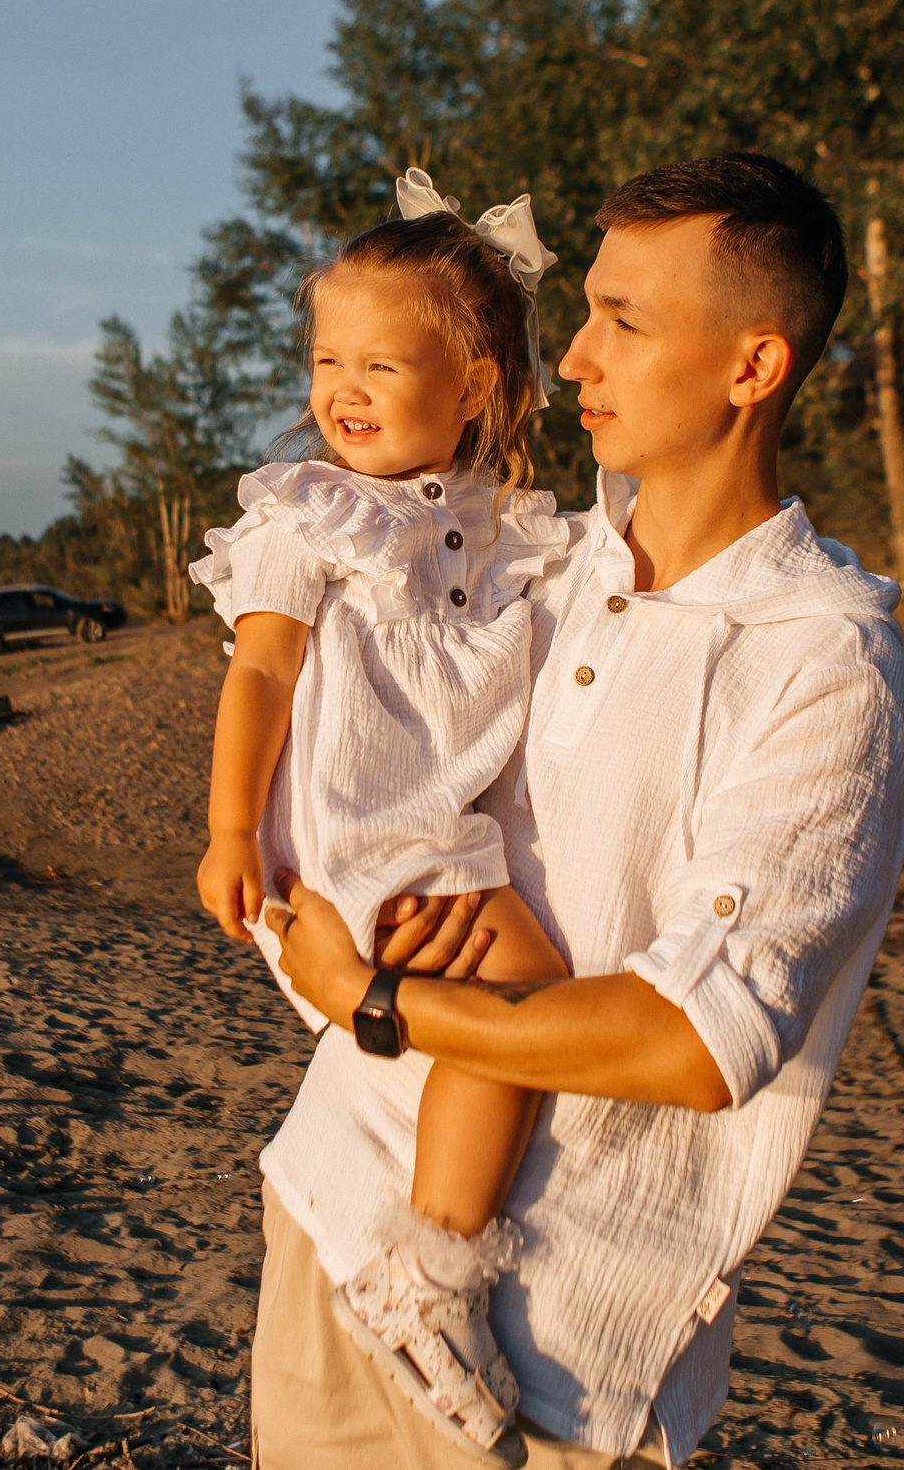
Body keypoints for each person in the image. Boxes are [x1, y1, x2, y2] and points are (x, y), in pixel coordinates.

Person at [222, 153, 904, 1469]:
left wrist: (377, 1000)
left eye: (625, 321)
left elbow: (704, 1037)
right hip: (332, 1203)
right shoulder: (534, 557)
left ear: (752, 365)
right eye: (581, 309)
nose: (573, 356)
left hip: (565, 1340)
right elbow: (324, 721)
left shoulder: (821, 659)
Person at [192, 169, 576, 1457]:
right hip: (355, 840)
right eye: (323, 360)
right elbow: (258, 673)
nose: (338, 390)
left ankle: (427, 1267)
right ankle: (435, 1269)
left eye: (378, 364)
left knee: (517, 992)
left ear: (472, 386)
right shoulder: (310, 512)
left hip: (437, 831)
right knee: (519, 987)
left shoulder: (510, 531)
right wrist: (231, 833)